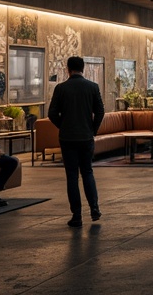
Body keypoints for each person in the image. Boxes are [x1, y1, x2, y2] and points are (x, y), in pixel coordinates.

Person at [48, 55, 105, 227]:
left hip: (67, 138)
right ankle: (94, 208)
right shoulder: (92, 87)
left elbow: (52, 114)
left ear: (68, 69)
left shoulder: (61, 88)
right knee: (87, 172)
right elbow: (100, 112)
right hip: (86, 137)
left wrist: (63, 126)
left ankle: (77, 216)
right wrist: (92, 130)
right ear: (84, 68)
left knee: (72, 176)